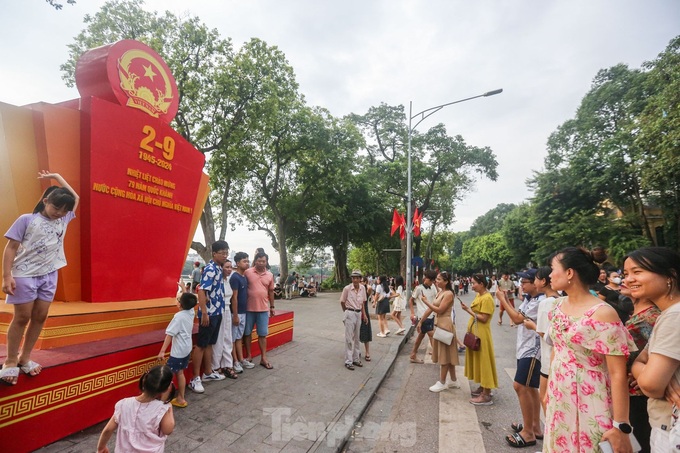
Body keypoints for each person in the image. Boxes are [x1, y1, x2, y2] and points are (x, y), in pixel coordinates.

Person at [545, 247, 636, 453]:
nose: (549, 274)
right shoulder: (557, 307)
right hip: (560, 395)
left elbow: (617, 373)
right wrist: (550, 388)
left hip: (592, 398)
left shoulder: (603, 313)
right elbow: (558, 349)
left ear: (569, 273)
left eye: (553, 269)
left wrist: (620, 424)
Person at [1, 171, 79, 385]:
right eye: (55, 207)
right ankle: (9, 361)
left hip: (49, 275)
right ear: (45, 201)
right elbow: (11, 248)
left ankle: (24, 357)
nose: (59, 213)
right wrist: (6, 276)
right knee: (22, 317)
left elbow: (76, 197)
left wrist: (57, 176)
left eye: (64, 210)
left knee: (40, 316)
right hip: (24, 274)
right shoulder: (27, 219)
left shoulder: (65, 219)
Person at [629, 247, 680, 452]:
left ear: (670, 275)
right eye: (626, 274)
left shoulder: (674, 316)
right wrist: (645, 370)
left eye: (637, 271)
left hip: (671, 428)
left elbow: (650, 385)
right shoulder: (667, 314)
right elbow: (639, 361)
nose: (629, 279)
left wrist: (650, 374)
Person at [498, 268, 544, 448]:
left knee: (520, 385)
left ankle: (528, 433)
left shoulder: (541, 300)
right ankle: (533, 426)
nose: (521, 285)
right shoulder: (530, 299)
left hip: (533, 350)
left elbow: (517, 319)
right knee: (531, 387)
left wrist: (502, 300)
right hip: (525, 347)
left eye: (525, 282)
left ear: (537, 282)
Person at [621, 274, 660, 453]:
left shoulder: (651, 317)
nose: (626, 280)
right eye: (625, 274)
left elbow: (661, 352)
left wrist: (645, 372)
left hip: (640, 394)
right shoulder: (637, 314)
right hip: (629, 392)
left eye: (635, 274)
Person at [96, 365, 175, 453]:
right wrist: (169, 407)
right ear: (167, 389)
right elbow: (168, 430)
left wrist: (101, 448)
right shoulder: (162, 409)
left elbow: (108, 430)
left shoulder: (124, 404)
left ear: (145, 380)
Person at [519, 266, 560, 427]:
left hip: (546, 358)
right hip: (550, 358)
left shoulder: (546, 302)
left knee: (545, 399)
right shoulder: (559, 299)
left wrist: (532, 326)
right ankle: (534, 426)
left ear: (543, 281)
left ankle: (536, 431)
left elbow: (548, 334)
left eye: (535, 279)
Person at [189, 241, 229, 393]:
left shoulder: (219, 268)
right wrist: (204, 312)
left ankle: (208, 373)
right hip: (209, 313)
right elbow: (201, 290)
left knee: (210, 343)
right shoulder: (211, 269)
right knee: (201, 344)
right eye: (222, 253)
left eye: (226, 252)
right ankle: (195, 378)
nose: (225, 255)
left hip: (217, 312)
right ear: (214, 253)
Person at [418, 271, 461, 392]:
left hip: (445, 325)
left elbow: (440, 310)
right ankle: (453, 380)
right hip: (441, 324)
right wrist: (421, 321)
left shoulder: (448, 294)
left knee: (444, 356)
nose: (436, 281)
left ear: (446, 281)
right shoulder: (440, 292)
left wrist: (425, 302)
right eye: (436, 279)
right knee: (448, 354)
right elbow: (431, 308)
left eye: (439, 279)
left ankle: (442, 382)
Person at [460, 274, 498, 405]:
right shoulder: (479, 295)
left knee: (484, 361)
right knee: (479, 360)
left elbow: (484, 318)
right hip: (476, 330)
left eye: (474, 283)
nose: (472, 285)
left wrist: (467, 311)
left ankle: (486, 394)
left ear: (481, 284)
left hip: (482, 333)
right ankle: (483, 386)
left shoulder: (487, 298)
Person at [157, 292, 197, 408]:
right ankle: (181, 398)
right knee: (180, 373)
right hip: (186, 349)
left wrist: (162, 351)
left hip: (178, 352)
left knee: (168, 377)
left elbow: (169, 334)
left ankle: (161, 404)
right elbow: (189, 299)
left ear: (180, 304)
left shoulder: (178, 317)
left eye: (178, 299)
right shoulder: (190, 312)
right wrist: (184, 288)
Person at [243, 251, 275, 369]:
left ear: (266, 262)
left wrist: (272, 307)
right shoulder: (248, 272)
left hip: (263, 309)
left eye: (264, 261)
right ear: (255, 261)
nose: (261, 263)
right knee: (247, 333)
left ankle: (263, 358)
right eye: (259, 261)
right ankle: (249, 356)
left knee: (262, 334)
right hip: (248, 309)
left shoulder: (270, 275)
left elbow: (271, 292)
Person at [211, 260, 238, 379]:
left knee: (228, 338)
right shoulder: (218, 281)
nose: (229, 269)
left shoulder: (228, 281)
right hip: (219, 310)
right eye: (226, 267)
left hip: (228, 311)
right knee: (218, 339)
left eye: (231, 267)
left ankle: (227, 365)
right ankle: (215, 366)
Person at [340, 269, 368, 370]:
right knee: (349, 338)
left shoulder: (363, 289)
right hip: (350, 312)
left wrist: (364, 315)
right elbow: (342, 301)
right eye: (353, 278)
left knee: (357, 338)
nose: (355, 280)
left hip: (358, 313)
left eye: (357, 278)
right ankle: (348, 361)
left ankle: (356, 358)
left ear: (360, 279)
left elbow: (363, 303)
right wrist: (346, 312)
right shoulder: (347, 289)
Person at [409, 270, 438, 364]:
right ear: (426, 278)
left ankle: (413, 355)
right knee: (432, 334)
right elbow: (411, 300)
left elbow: (436, 298)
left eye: (433, 281)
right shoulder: (419, 288)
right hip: (423, 316)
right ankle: (438, 354)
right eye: (431, 280)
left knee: (421, 336)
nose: (432, 282)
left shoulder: (433, 287)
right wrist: (412, 313)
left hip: (431, 315)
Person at [230, 252, 249, 372]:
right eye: (244, 261)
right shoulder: (235, 277)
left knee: (238, 337)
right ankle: (235, 361)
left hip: (244, 312)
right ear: (237, 263)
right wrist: (235, 315)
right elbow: (234, 297)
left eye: (248, 261)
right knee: (232, 338)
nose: (247, 263)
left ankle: (241, 359)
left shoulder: (244, 277)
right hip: (236, 313)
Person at [359, 276, 373, 362]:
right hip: (356, 312)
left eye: (361, 281)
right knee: (355, 333)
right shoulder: (355, 290)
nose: (359, 283)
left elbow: (370, 288)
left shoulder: (366, 290)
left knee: (366, 333)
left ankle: (367, 352)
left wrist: (366, 285)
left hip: (365, 313)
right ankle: (356, 350)